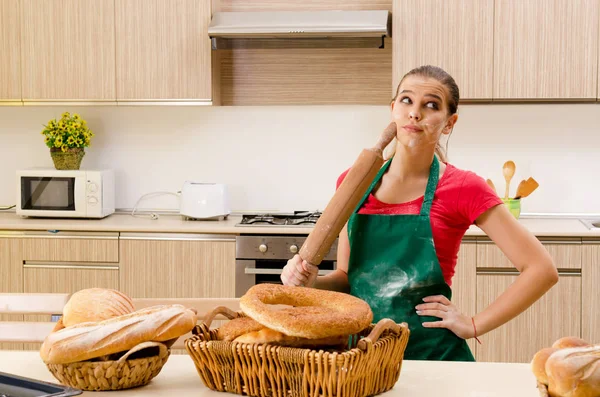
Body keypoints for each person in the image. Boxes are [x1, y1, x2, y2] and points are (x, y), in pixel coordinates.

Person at [280, 65, 558, 362]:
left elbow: (541, 270)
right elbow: (348, 279)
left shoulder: (463, 187)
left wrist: (474, 324)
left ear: (449, 123)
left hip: (432, 355)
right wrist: (312, 283)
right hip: (361, 356)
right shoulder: (353, 182)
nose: (415, 113)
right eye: (406, 100)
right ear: (393, 110)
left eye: (431, 105)